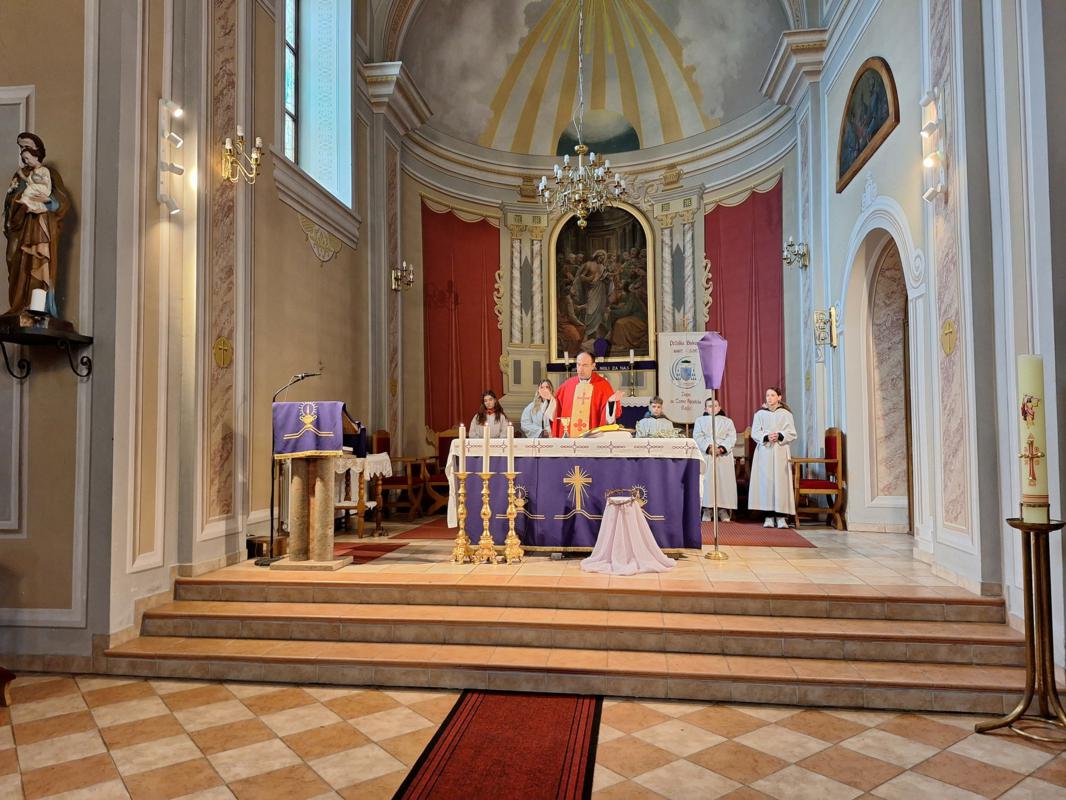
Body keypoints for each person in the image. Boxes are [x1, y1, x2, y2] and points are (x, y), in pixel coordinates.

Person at [4, 132, 71, 317]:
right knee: (12, 259)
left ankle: (36, 308)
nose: (23, 152)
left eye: (27, 147)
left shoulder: (49, 173)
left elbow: (62, 202)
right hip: (18, 227)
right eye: (21, 148)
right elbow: (9, 201)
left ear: (37, 150)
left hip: (39, 226)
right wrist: (16, 204)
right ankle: (18, 306)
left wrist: (46, 202)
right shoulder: (19, 175)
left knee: (37, 261)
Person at [749, 386, 797, 528]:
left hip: (781, 451)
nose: (769, 398)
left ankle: (781, 517)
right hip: (765, 452)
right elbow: (754, 432)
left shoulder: (786, 414)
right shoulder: (760, 414)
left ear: (779, 397)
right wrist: (766, 436)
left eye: (772, 395)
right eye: (767, 395)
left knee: (781, 483)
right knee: (766, 483)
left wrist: (780, 435)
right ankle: (768, 516)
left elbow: (792, 432)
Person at [551, 350, 623, 437]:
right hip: (569, 438)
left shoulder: (603, 385)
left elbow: (609, 419)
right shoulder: (567, 386)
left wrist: (611, 403)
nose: (580, 369)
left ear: (593, 366)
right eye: (578, 364)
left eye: (585, 365)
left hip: (592, 439)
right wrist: (548, 400)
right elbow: (556, 410)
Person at [692, 397, 737, 522]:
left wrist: (721, 448)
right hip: (707, 454)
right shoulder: (700, 421)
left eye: (715, 406)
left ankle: (722, 509)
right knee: (707, 482)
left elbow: (731, 437)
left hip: (723, 455)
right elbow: (697, 436)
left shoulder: (727, 421)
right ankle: (707, 509)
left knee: (723, 482)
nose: (713, 408)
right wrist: (708, 448)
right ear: (705, 408)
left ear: (720, 407)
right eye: (710, 406)